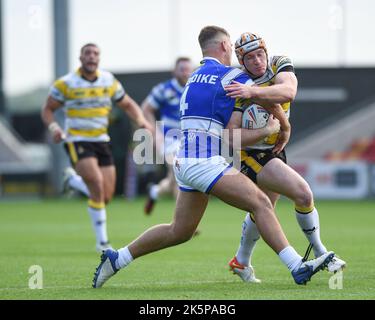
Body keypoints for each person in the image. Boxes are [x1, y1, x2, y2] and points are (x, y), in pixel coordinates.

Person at [92, 26, 334, 288]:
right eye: (230, 46)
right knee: (261, 203)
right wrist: (281, 128)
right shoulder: (231, 75)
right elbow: (274, 100)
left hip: (184, 161)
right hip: (204, 161)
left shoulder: (193, 77)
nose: (233, 52)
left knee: (179, 231)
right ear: (223, 47)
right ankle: (296, 265)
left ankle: (117, 259)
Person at [224, 32, 346, 283]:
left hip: (275, 149)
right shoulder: (239, 82)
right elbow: (232, 137)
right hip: (251, 154)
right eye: (250, 57)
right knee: (302, 193)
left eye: (260, 54)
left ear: (266, 52)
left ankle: (241, 260)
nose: (257, 61)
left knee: (264, 209)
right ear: (241, 61)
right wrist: (269, 128)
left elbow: (288, 91)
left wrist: (254, 94)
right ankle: (322, 252)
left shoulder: (280, 63)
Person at [41, 43, 152, 252]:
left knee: (105, 196)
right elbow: (47, 109)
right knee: (96, 185)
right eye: (87, 54)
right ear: (80, 57)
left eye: (95, 54)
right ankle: (102, 243)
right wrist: (55, 127)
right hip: (77, 140)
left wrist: (141, 120)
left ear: (99, 58)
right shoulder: (66, 83)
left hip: (102, 140)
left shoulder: (108, 80)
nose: (91, 57)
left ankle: (72, 181)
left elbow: (127, 103)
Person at [143, 57, 194, 214]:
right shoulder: (164, 89)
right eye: (182, 69)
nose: (185, 72)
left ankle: (155, 192)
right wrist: (154, 132)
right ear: (174, 71)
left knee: (172, 180)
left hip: (190, 140)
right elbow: (146, 108)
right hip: (169, 138)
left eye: (188, 69)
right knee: (179, 173)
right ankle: (183, 220)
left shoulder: (195, 88)